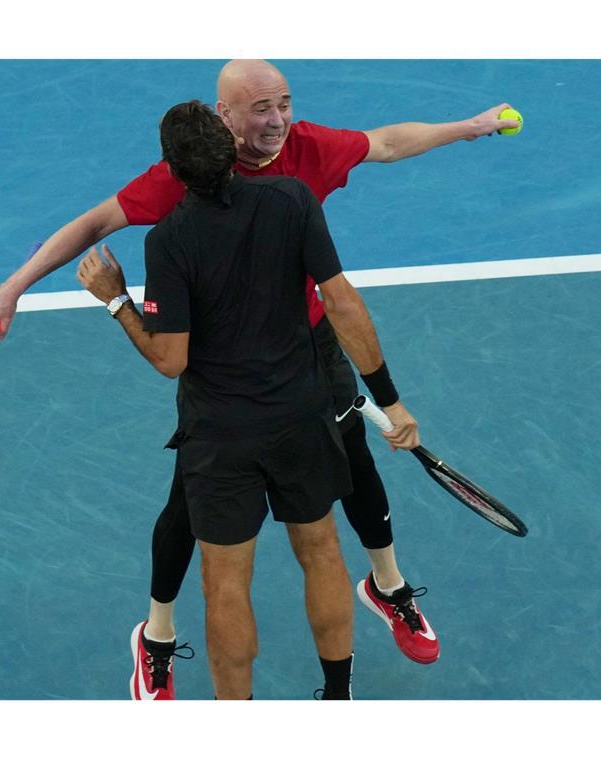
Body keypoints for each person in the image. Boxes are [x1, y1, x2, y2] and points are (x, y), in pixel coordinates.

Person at [0, 59, 518, 698]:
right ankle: (155, 635)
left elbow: (390, 143)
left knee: (352, 463)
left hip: (305, 348)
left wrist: (468, 126)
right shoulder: (187, 184)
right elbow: (95, 225)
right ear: (223, 118)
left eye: (284, 103)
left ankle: (388, 586)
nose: (278, 120)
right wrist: (13, 287)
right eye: (262, 109)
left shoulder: (305, 150)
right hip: (220, 367)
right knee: (191, 505)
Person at [77, 100, 419, 700]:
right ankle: (337, 698)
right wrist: (391, 401)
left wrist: (115, 300)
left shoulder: (170, 241)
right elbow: (341, 304)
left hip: (221, 437)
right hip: (301, 418)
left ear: (174, 173)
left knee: (226, 584)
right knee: (321, 553)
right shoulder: (292, 200)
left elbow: (170, 360)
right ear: (231, 152)